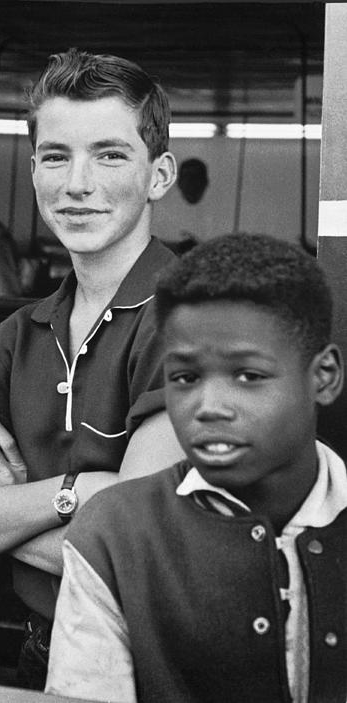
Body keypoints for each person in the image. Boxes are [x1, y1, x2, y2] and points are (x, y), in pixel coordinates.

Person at [0, 48, 185, 689]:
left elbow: (135, 557)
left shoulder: (192, 316)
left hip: (159, 655)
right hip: (41, 641)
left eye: (109, 154)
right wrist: (78, 494)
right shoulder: (20, 333)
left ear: (159, 175)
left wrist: (2, 517)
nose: (77, 183)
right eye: (55, 155)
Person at [46, 234, 346, 703]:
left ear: (323, 377)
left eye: (248, 375)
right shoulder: (114, 534)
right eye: (185, 377)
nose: (209, 407)